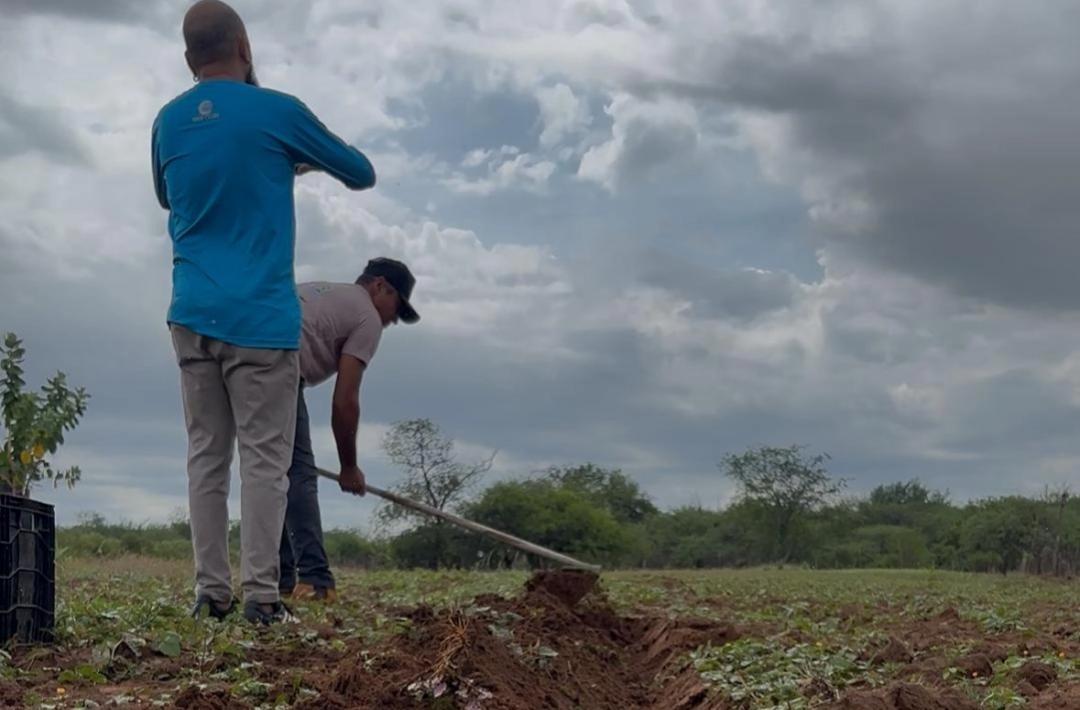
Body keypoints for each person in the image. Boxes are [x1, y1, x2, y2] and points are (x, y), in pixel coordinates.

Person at [150, 0, 378, 625]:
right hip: (260, 320)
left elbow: (171, 193)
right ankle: (260, 598)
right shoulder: (278, 110)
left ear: (189, 58)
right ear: (245, 48)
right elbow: (361, 173)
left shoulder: (167, 121)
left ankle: (209, 594)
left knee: (206, 456)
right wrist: (297, 157)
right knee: (266, 461)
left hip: (191, 314)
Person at [279, 258, 420, 602]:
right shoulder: (367, 317)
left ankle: (279, 577)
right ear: (379, 286)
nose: (392, 321)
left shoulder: (326, 292)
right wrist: (348, 466)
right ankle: (315, 581)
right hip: (277, 364)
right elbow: (345, 401)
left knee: (272, 472)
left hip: (241, 353)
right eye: (396, 308)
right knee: (298, 473)